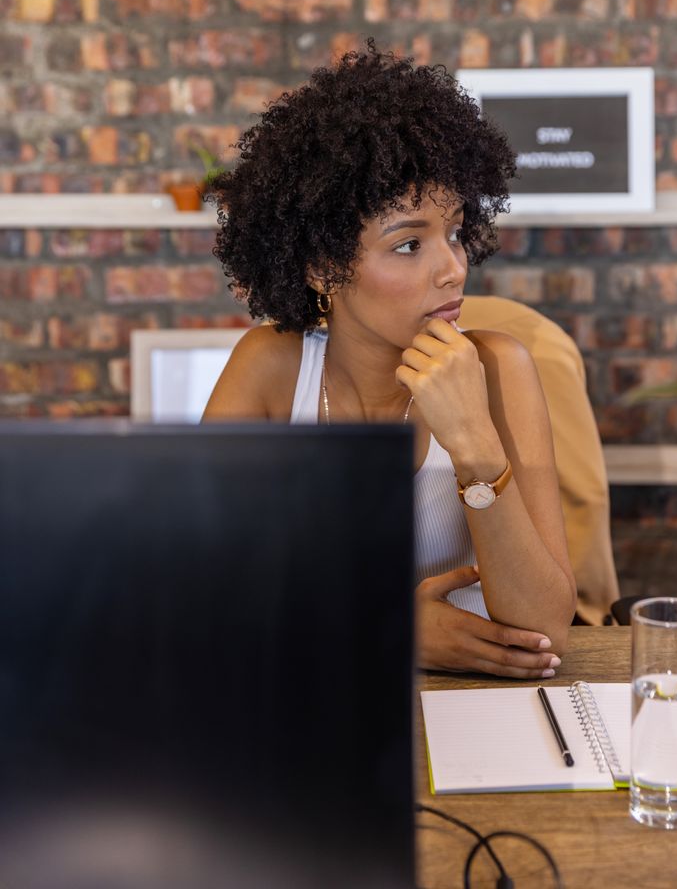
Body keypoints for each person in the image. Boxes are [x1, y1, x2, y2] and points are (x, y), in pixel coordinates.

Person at [203, 44, 576, 675]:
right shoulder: (270, 370)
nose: (454, 267)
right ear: (324, 266)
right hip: (317, 701)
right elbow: (201, 599)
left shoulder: (501, 370)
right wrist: (383, 627)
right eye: (408, 245)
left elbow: (543, 631)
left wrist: (474, 446)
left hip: (477, 720)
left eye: (455, 232)